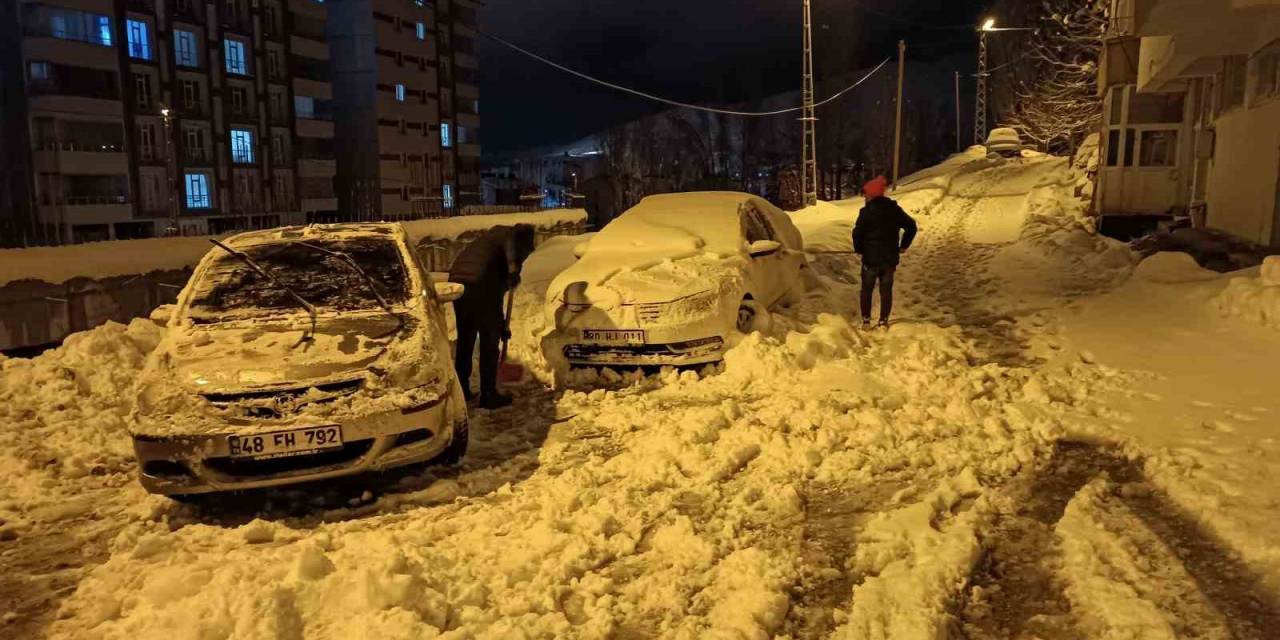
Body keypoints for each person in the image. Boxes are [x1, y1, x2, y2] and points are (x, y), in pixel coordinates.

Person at [448, 224, 537, 409]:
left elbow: (496, 297)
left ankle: (462, 389)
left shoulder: (490, 241)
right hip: (480, 281)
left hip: (458, 280)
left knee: (466, 337)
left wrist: (502, 325)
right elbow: (492, 294)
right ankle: (489, 394)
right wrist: (513, 270)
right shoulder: (509, 238)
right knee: (489, 342)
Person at [852, 175, 917, 329]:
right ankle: (883, 321)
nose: (865, 197)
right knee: (886, 290)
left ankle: (866, 321)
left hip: (871, 259)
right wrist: (903, 246)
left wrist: (859, 249)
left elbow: (857, 234)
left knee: (867, 290)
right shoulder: (894, 210)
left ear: (871, 194)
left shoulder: (866, 212)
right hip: (889, 259)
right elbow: (911, 226)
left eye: (866, 194)